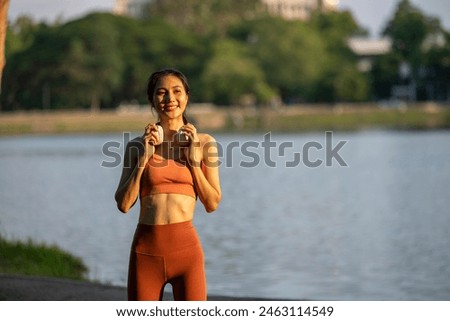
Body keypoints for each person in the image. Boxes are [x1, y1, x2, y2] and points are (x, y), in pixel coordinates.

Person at [114, 68, 222, 301]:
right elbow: (123, 204)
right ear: (152, 100)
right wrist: (144, 157)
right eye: (161, 93)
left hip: (187, 254)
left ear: (186, 97)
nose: (170, 99)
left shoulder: (205, 144)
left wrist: (193, 162)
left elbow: (212, 203)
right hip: (146, 253)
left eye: (176, 92)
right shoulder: (136, 146)